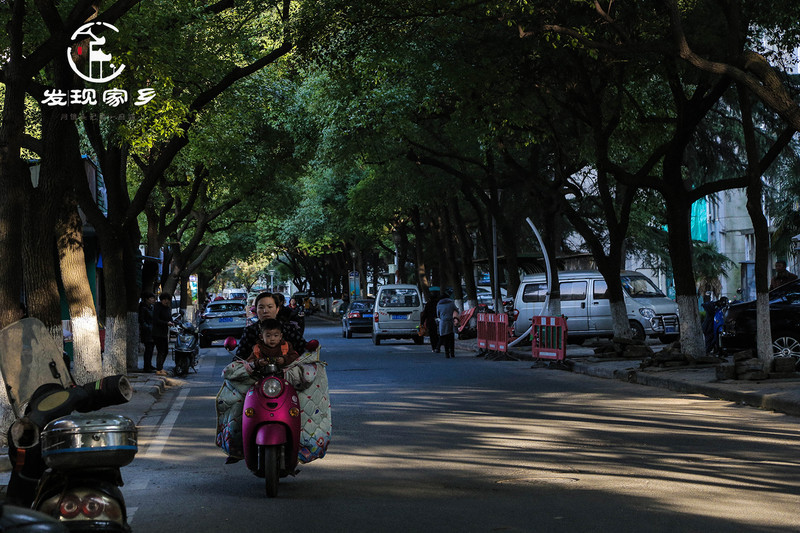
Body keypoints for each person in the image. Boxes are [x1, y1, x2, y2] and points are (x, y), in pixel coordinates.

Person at [235, 292, 311, 361]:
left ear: (277, 309)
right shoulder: (250, 331)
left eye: (270, 307)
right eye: (261, 307)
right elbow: (239, 357)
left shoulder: (289, 329)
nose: (265, 311)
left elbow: (304, 351)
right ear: (256, 310)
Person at [152, 293, 174, 375]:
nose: (166, 301)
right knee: (161, 351)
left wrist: (172, 322)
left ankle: (161, 368)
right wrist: (166, 323)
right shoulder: (157, 307)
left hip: (164, 333)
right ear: (161, 300)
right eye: (164, 299)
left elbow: (170, 318)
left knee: (165, 351)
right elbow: (156, 320)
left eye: (168, 300)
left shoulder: (167, 308)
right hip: (157, 333)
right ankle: (158, 369)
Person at [138, 291, 156, 372]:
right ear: (147, 299)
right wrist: (148, 328)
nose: (153, 300)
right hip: (147, 332)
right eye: (151, 298)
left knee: (151, 349)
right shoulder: (143, 308)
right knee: (148, 349)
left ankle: (149, 364)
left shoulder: (151, 308)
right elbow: (142, 320)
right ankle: (146, 367)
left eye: (153, 298)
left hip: (152, 331)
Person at [436, 294, 459, 358]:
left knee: (445, 338)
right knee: (451, 338)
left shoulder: (439, 304)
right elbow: (456, 310)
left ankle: (447, 353)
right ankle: (452, 353)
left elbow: (438, 314)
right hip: (451, 322)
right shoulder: (451, 303)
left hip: (443, 322)